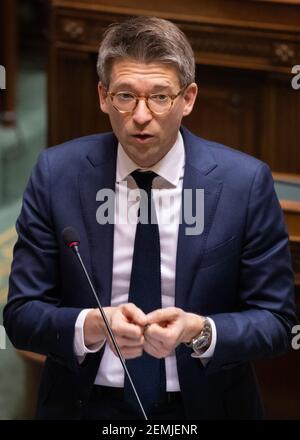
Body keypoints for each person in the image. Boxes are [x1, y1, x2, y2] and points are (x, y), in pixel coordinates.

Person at [3, 16, 296, 420]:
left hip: (204, 408)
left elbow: (278, 322)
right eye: (126, 96)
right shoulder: (58, 175)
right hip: (86, 405)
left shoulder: (244, 183)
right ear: (103, 96)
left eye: (160, 97)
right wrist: (92, 325)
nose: (141, 116)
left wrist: (199, 331)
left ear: (188, 99)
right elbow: (20, 316)